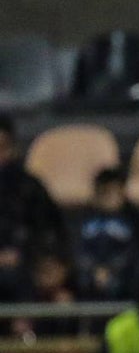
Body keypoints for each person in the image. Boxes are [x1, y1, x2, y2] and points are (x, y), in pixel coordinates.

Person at [0, 114, 70, 337]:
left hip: (27, 266)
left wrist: (30, 254)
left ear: (12, 147)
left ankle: (27, 332)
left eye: (2, 148)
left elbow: (51, 231)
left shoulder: (30, 187)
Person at [74, 167, 139, 302]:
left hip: (123, 274)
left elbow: (136, 249)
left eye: (114, 192)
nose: (109, 197)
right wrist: (94, 269)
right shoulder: (85, 218)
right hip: (91, 274)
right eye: (104, 192)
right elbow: (78, 249)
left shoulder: (134, 218)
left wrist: (111, 269)